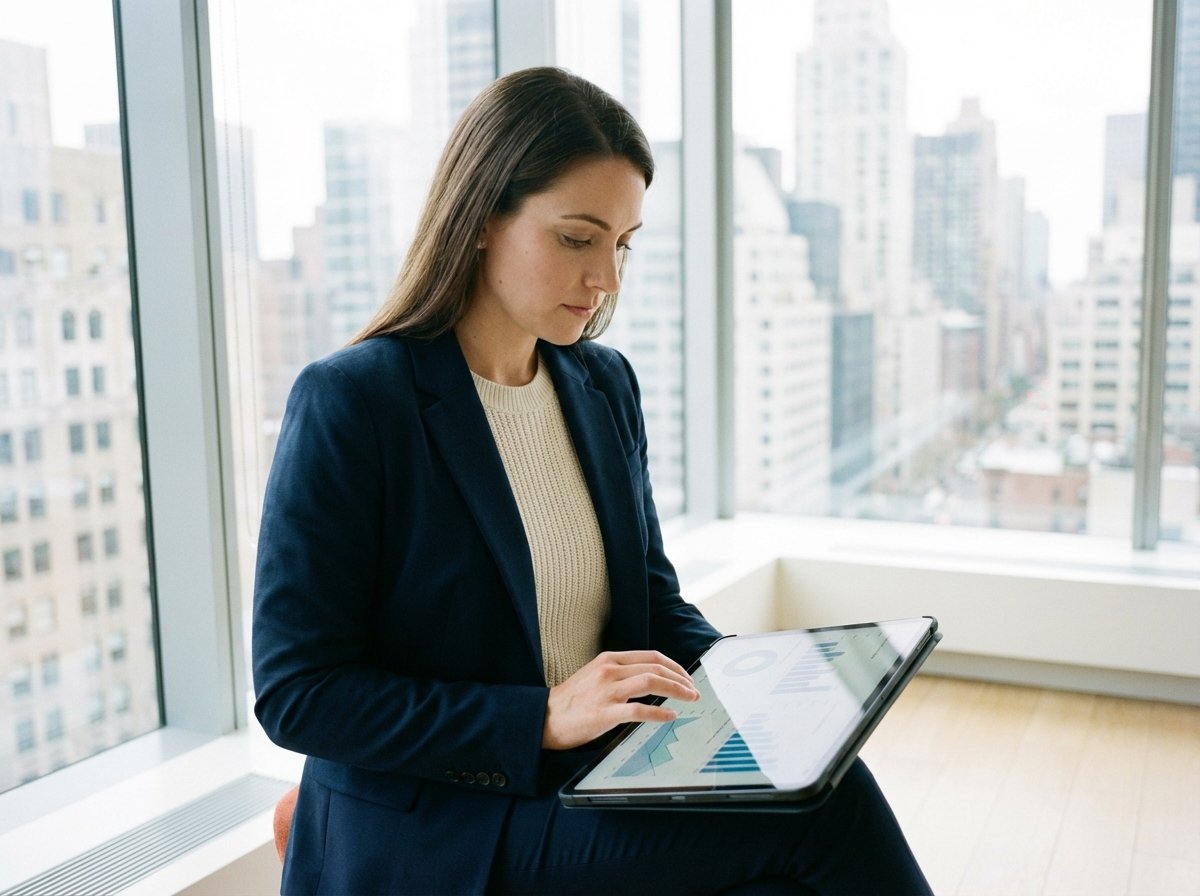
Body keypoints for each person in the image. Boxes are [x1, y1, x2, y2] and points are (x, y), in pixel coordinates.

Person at [252, 66, 932, 896]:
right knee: (832, 816)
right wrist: (538, 718)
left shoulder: (601, 385)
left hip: (594, 778)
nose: (607, 279)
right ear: (478, 221)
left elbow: (651, 602)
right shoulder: (356, 402)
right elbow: (300, 693)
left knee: (801, 828)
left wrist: (759, 696)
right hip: (441, 821)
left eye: (623, 244)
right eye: (578, 238)